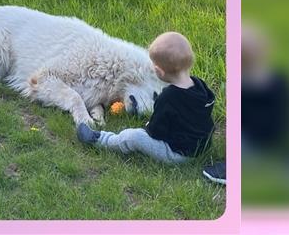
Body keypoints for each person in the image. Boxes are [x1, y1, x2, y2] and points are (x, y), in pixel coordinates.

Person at [77, 31, 215, 164]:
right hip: (201, 147)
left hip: (176, 154)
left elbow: (156, 133)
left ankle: (101, 140)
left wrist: (148, 127)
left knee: (134, 137)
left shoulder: (168, 97)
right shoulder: (200, 86)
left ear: (160, 72)